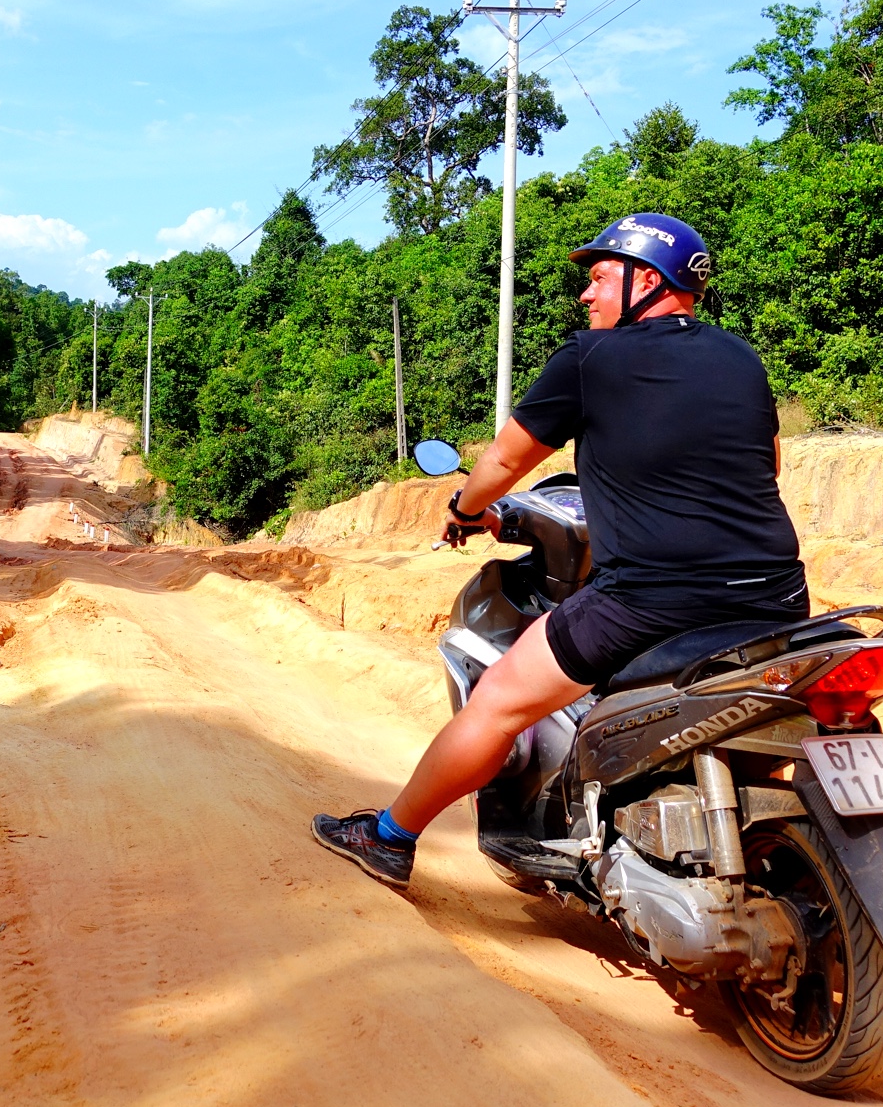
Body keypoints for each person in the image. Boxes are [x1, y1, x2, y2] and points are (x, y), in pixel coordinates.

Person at [312, 213, 808, 887]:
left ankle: (390, 837)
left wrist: (464, 507)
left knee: (499, 702)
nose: (587, 293)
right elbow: (767, 463)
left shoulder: (591, 360)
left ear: (647, 279)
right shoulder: (740, 359)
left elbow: (507, 458)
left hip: (648, 601)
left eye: (601, 276)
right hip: (777, 597)